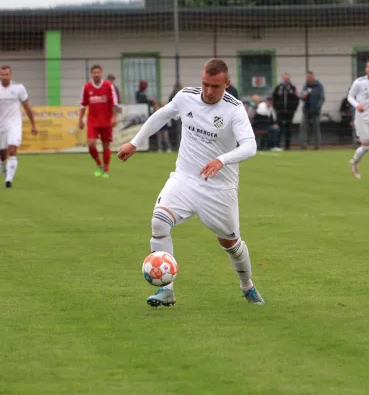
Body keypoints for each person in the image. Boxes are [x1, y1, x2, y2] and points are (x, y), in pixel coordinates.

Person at [117, 58, 264, 307]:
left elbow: (250, 146)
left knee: (230, 243)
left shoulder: (234, 109)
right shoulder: (186, 97)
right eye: (205, 84)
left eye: (215, 86)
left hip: (219, 188)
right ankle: (166, 290)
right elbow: (161, 116)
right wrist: (134, 143)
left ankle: (247, 285)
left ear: (226, 84)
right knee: (159, 221)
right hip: (184, 179)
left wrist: (221, 160)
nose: (208, 91)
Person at [0, 65, 38, 188]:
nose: (4, 77)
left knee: (12, 150)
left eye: (6, 74)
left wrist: (33, 124)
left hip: (14, 124)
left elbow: (27, 107)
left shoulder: (18, 88)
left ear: (11, 75)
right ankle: (4, 169)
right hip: (1, 125)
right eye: (2, 75)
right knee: (2, 155)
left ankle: (8, 181)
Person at [79, 65, 118, 178]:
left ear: (101, 73)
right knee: (91, 144)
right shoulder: (87, 87)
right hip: (92, 122)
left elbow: (114, 103)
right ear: (91, 74)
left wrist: (114, 117)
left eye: (98, 72)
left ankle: (106, 169)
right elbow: (83, 104)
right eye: (94, 72)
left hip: (106, 121)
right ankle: (99, 164)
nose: (96, 74)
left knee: (106, 146)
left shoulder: (108, 86)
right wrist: (80, 120)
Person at [272, 73, 299, 150]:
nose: (286, 80)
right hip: (280, 113)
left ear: (289, 79)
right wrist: (276, 109)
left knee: (288, 129)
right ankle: (277, 145)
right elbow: (274, 99)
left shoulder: (293, 88)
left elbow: (297, 99)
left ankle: (287, 146)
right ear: (282, 79)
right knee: (279, 129)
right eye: (285, 79)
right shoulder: (278, 88)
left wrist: (293, 110)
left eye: (287, 79)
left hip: (289, 113)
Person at [299, 71, 324, 150]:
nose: (308, 78)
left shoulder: (319, 86)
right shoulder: (305, 86)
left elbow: (322, 98)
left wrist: (318, 107)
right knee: (303, 128)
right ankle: (303, 145)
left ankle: (317, 145)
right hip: (306, 110)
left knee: (316, 128)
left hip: (315, 111)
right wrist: (303, 96)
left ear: (313, 77)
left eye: (310, 76)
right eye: (307, 77)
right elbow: (301, 96)